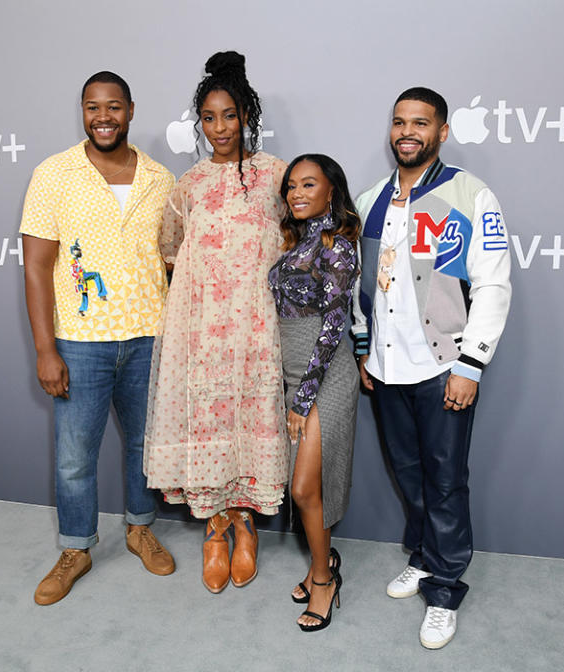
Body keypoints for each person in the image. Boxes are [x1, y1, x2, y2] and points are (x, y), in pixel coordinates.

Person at [351, 87, 512, 648]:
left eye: (420, 123)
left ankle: (444, 588)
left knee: (445, 482)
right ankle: (423, 556)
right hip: (387, 370)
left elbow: (492, 282)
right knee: (410, 475)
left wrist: (472, 364)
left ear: (442, 131)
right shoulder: (371, 198)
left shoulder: (470, 194)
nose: (407, 132)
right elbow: (361, 283)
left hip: (444, 366)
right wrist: (362, 347)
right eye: (399, 122)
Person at [20, 71, 176, 606]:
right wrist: (46, 349)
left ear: (131, 110)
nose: (103, 116)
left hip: (148, 338)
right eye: (92, 107)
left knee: (143, 446)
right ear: (82, 112)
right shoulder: (53, 174)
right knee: (74, 455)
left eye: (113, 106)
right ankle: (75, 549)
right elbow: (37, 267)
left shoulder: (162, 178)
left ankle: (139, 528)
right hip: (81, 342)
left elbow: (175, 260)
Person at [144, 51, 289, 594]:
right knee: (207, 417)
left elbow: (294, 243)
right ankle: (214, 528)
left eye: (229, 115)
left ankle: (246, 522)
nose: (219, 128)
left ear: (246, 115)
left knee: (250, 415)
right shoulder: (189, 186)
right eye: (208, 118)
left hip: (256, 328)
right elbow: (170, 253)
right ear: (199, 123)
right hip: (201, 330)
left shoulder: (276, 176)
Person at [268, 154, 360, 631]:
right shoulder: (294, 242)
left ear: (331, 191)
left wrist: (302, 399)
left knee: (304, 487)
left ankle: (324, 581)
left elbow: (332, 327)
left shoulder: (337, 246)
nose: (297, 193)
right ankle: (321, 565)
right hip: (289, 371)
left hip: (323, 373)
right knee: (302, 487)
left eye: (309, 184)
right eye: (291, 186)